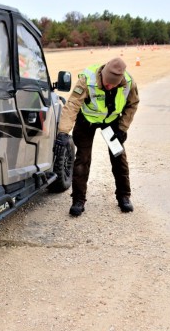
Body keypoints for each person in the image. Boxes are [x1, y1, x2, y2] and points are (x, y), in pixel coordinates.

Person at [55, 57, 139, 216]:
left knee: (118, 157)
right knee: (82, 159)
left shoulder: (129, 82)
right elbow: (72, 104)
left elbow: (132, 104)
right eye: (107, 83)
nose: (109, 86)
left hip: (111, 121)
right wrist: (63, 132)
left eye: (113, 85)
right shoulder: (87, 80)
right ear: (103, 74)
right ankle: (78, 200)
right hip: (87, 121)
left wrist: (122, 128)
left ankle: (124, 197)